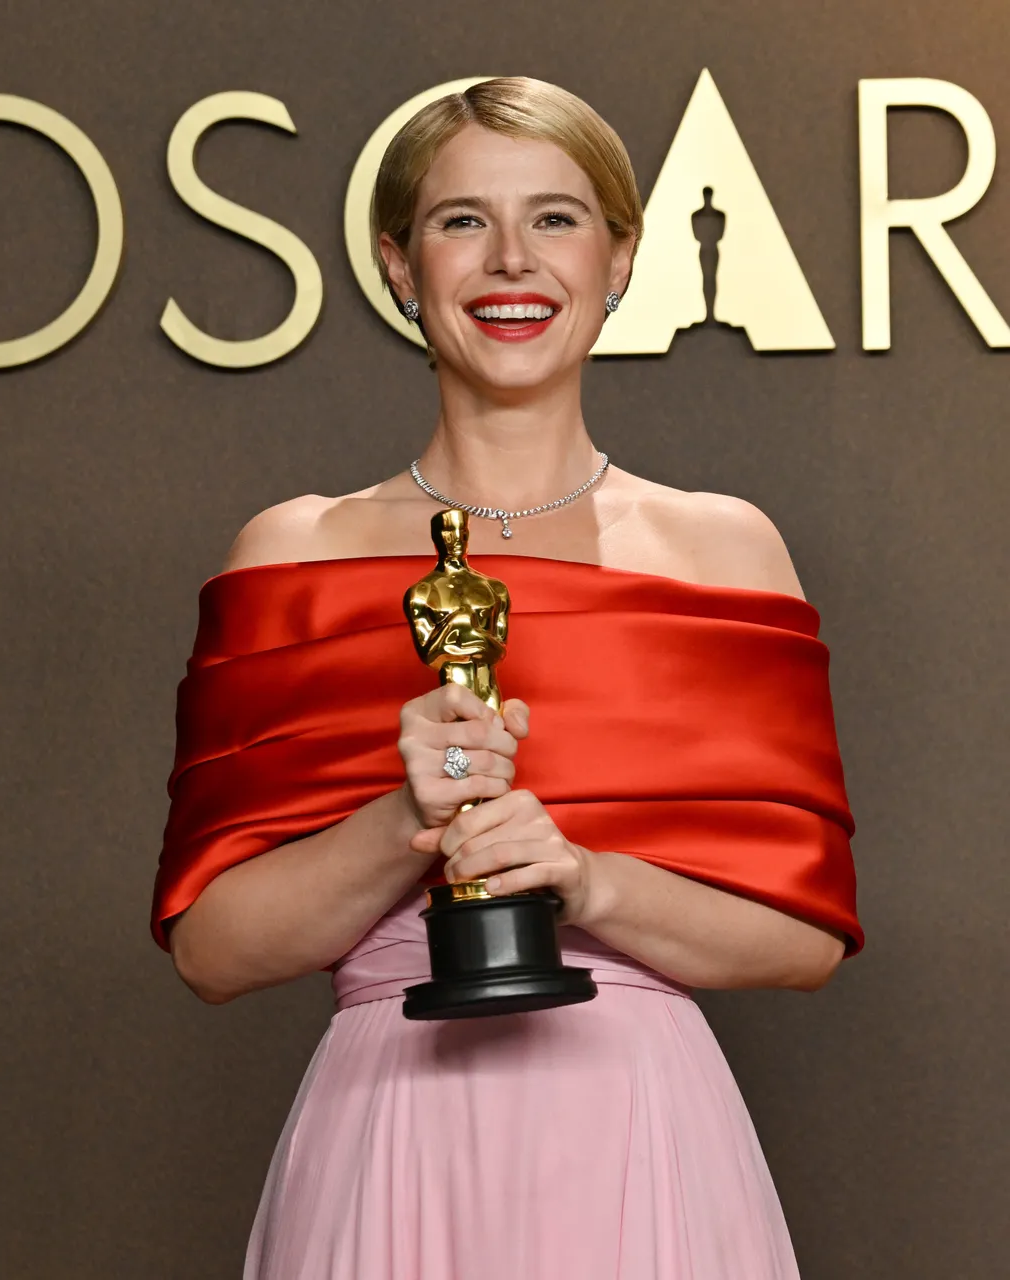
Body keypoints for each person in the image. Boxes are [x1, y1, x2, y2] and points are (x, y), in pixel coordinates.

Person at [151, 77, 862, 1279]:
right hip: (392, 1125)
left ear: (622, 255)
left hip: (641, 1124)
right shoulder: (295, 552)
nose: (510, 262)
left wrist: (585, 880)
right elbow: (214, 951)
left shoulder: (723, 547)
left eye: (556, 217)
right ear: (396, 262)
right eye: (461, 220)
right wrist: (403, 819)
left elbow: (804, 941)